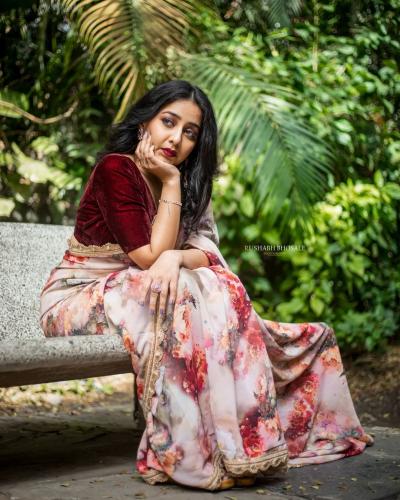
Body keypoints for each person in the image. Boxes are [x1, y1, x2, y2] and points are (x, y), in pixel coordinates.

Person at [39, 79, 374, 491]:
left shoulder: (191, 182)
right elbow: (150, 258)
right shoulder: (117, 169)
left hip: (144, 292)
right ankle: (184, 452)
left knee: (215, 283)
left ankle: (237, 444)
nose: (175, 139)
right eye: (167, 122)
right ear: (144, 122)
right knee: (179, 290)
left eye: (190, 132)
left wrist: (179, 256)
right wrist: (170, 186)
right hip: (78, 299)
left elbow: (204, 251)